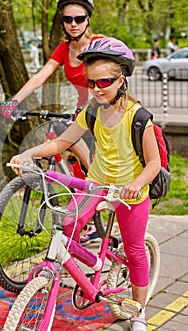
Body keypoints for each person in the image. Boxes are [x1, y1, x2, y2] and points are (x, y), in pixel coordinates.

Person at [10, 37, 161, 331]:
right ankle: (89, 268)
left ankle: (139, 311)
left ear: (122, 79)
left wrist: (136, 183)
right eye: (91, 83)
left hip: (129, 191)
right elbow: (64, 142)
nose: (96, 89)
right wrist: (28, 152)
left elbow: (153, 163)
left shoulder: (139, 118)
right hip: (96, 184)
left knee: (134, 250)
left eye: (104, 82)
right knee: (67, 227)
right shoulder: (90, 112)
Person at [0, 0, 105, 170]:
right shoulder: (64, 49)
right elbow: (41, 75)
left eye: (79, 19)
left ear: (88, 20)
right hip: (81, 114)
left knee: (66, 134)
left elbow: (111, 78)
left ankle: (96, 180)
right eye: (67, 19)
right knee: (63, 141)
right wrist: (14, 101)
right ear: (62, 22)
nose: (73, 24)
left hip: (103, 111)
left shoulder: (100, 44)